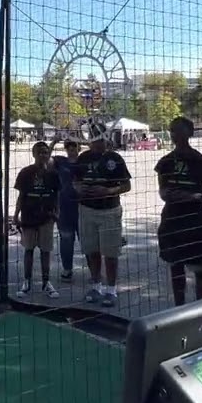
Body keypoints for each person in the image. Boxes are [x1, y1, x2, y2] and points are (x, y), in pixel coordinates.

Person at [154, 117, 202, 306]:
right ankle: (179, 307)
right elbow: (163, 192)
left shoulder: (201, 161)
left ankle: (201, 308)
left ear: (189, 133)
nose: (175, 134)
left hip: (196, 220)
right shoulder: (165, 162)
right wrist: (177, 195)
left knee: (200, 269)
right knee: (176, 267)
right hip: (172, 220)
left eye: (179, 130)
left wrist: (195, 197)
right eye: (172, 130)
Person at [74, 120, 132, 308]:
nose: (96, 142)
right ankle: (96, 285)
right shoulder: (83, 158)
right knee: (91, 250)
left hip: (109, 210)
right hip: (86, 210)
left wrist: (106, 191)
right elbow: (74, 182)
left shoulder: (114, 158)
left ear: (105, 137)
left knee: (111, 252)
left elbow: (126, 185)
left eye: (99, 138)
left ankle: (111, 289)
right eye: (92, 138)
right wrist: (79, 188)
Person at [14, 141, 61, 298]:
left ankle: (46, 282)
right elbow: (21, 196)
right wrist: (15, 215)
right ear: (33, 154)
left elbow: (57, 195)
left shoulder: (53, 174)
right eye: (39, 152)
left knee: (46, 250)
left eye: (45, 152)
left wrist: (57, 213)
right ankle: (27, 281)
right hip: (28, 216)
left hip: (47, 217)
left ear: (49, 155)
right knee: (28, 249)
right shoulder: (26, 173)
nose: (43, 155)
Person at [50, 138, 83, 281]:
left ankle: (95, 271)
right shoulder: (60, 161)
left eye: (74, 145)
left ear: (79, 147)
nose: (71, 148)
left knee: (87, 241)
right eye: (68, 146)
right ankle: (67, 269)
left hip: (83, 208)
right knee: (66, 240)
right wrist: (54, 141)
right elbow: (46, 159)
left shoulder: (85, 162)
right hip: (64, 207)